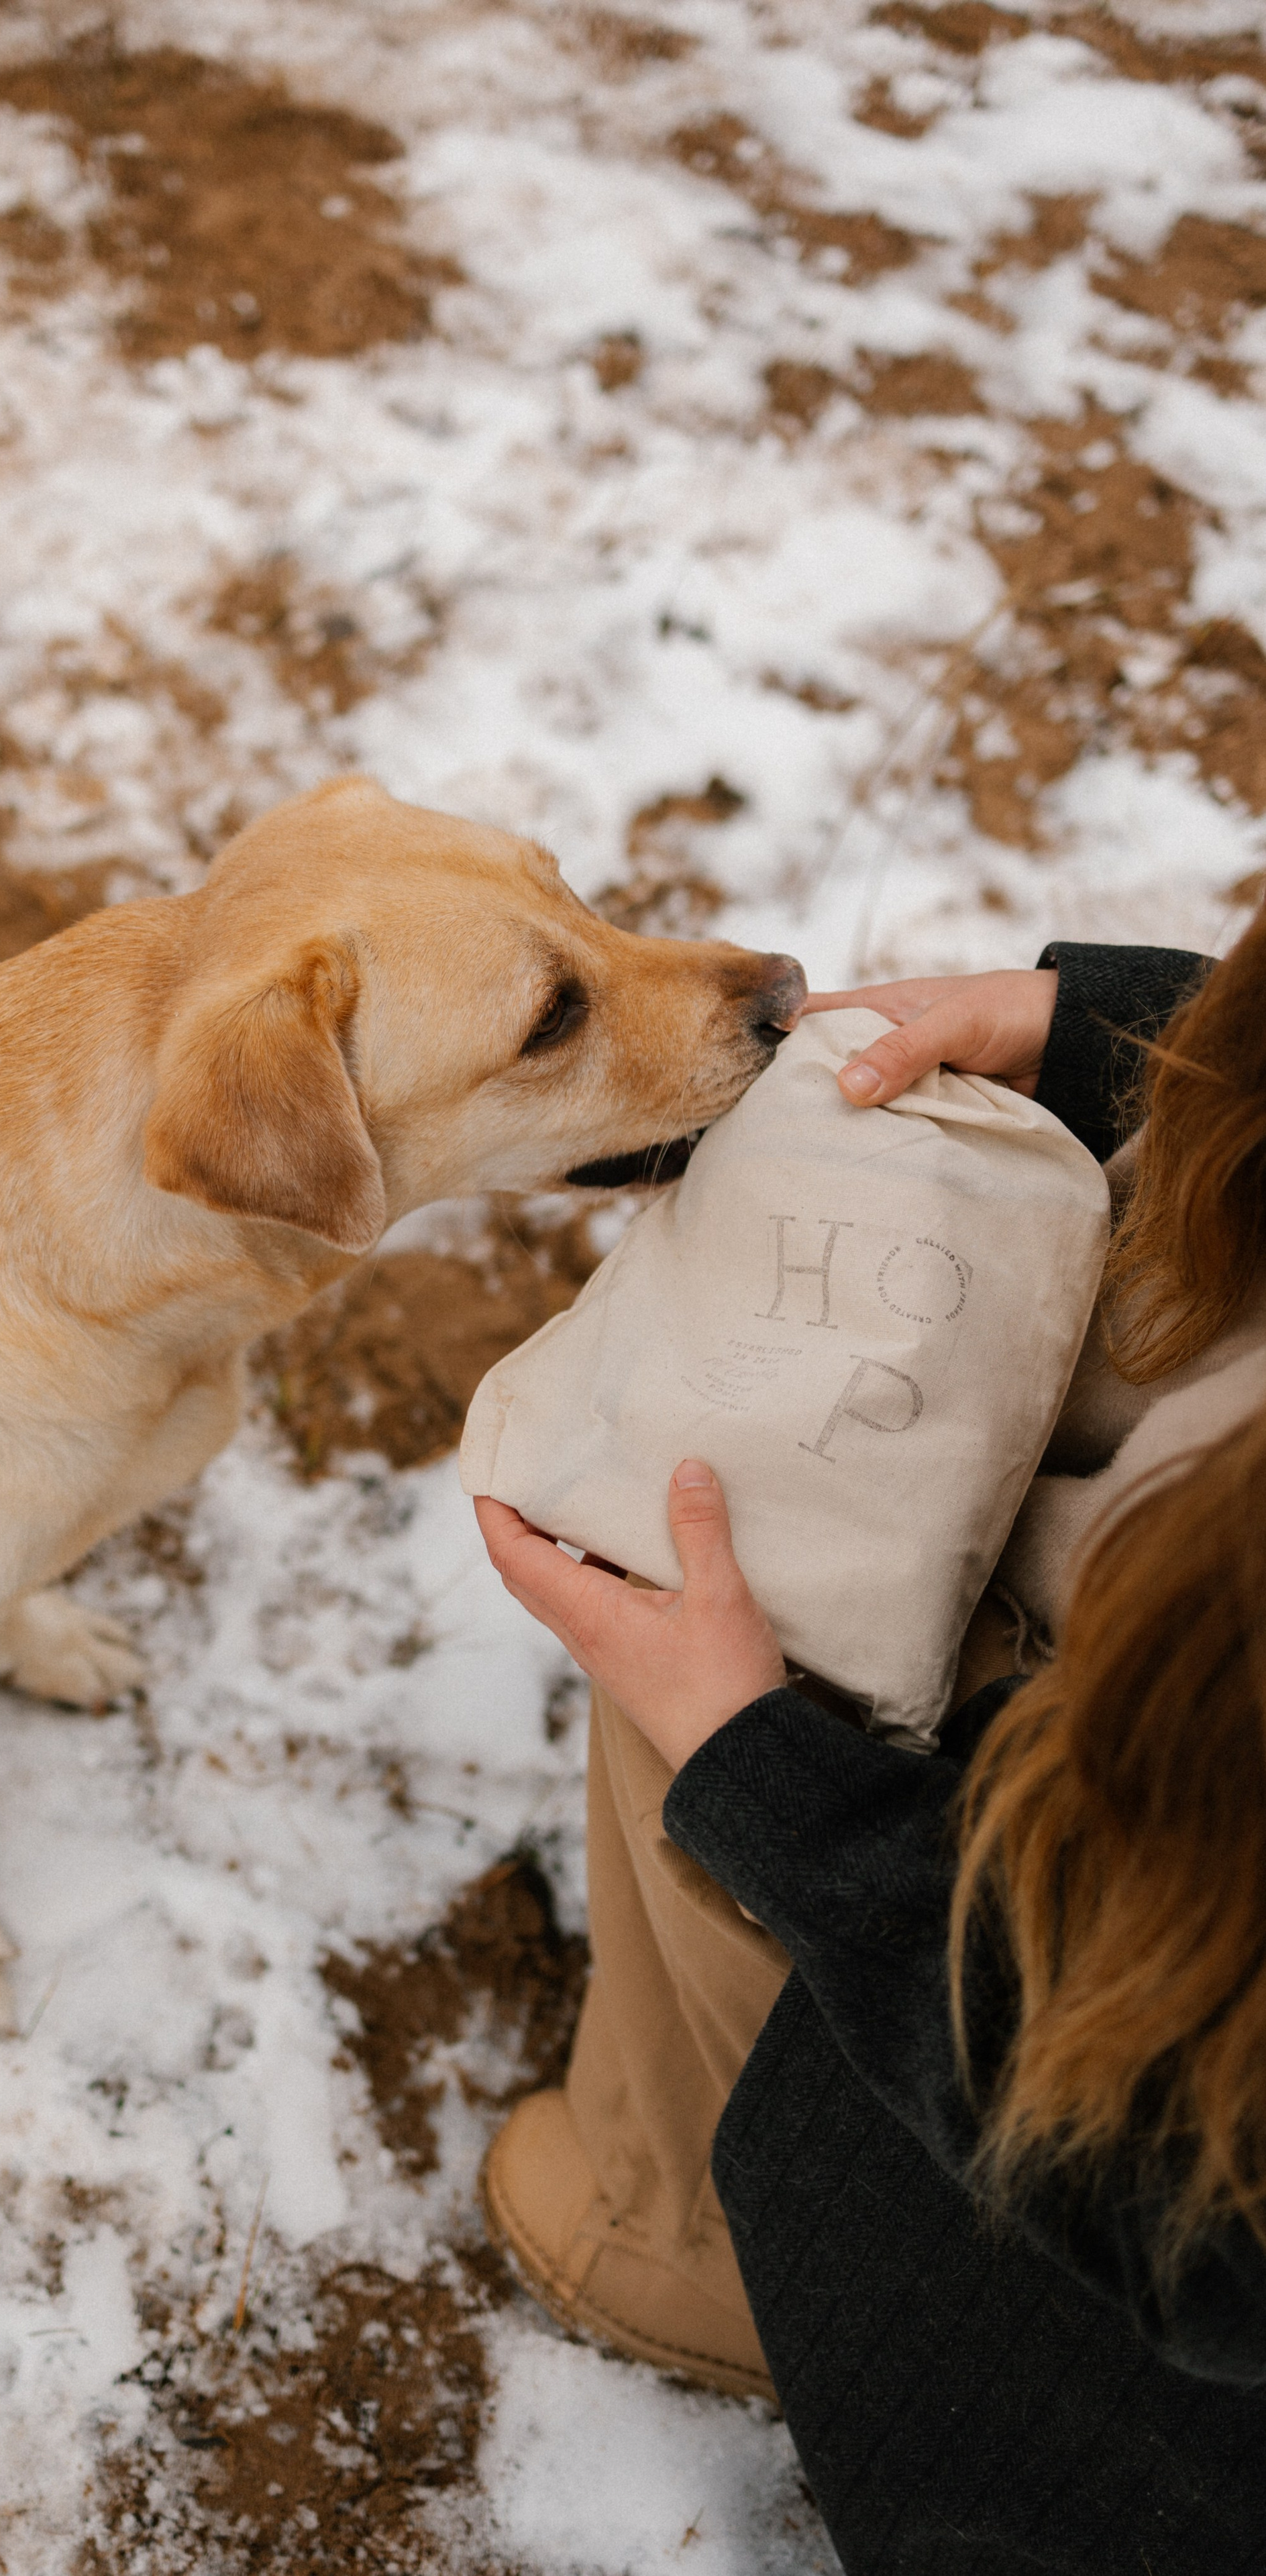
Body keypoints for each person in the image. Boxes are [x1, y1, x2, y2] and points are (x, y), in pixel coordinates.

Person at [474, 923, 1266, 2575]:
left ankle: (679, 2247)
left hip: (1138, 2365)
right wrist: (1139, 1040)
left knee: (745, 1610)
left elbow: (1194, 2197)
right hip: (1173, 1598)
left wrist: (771, 1778)